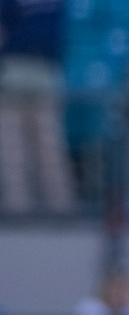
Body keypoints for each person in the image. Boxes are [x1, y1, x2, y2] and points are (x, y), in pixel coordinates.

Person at [0, 0, 75, 215]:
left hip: (40, 74)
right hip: (16, 73)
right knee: (16, 148)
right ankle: (21, 208)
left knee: (46, 146)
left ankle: (59, 208)